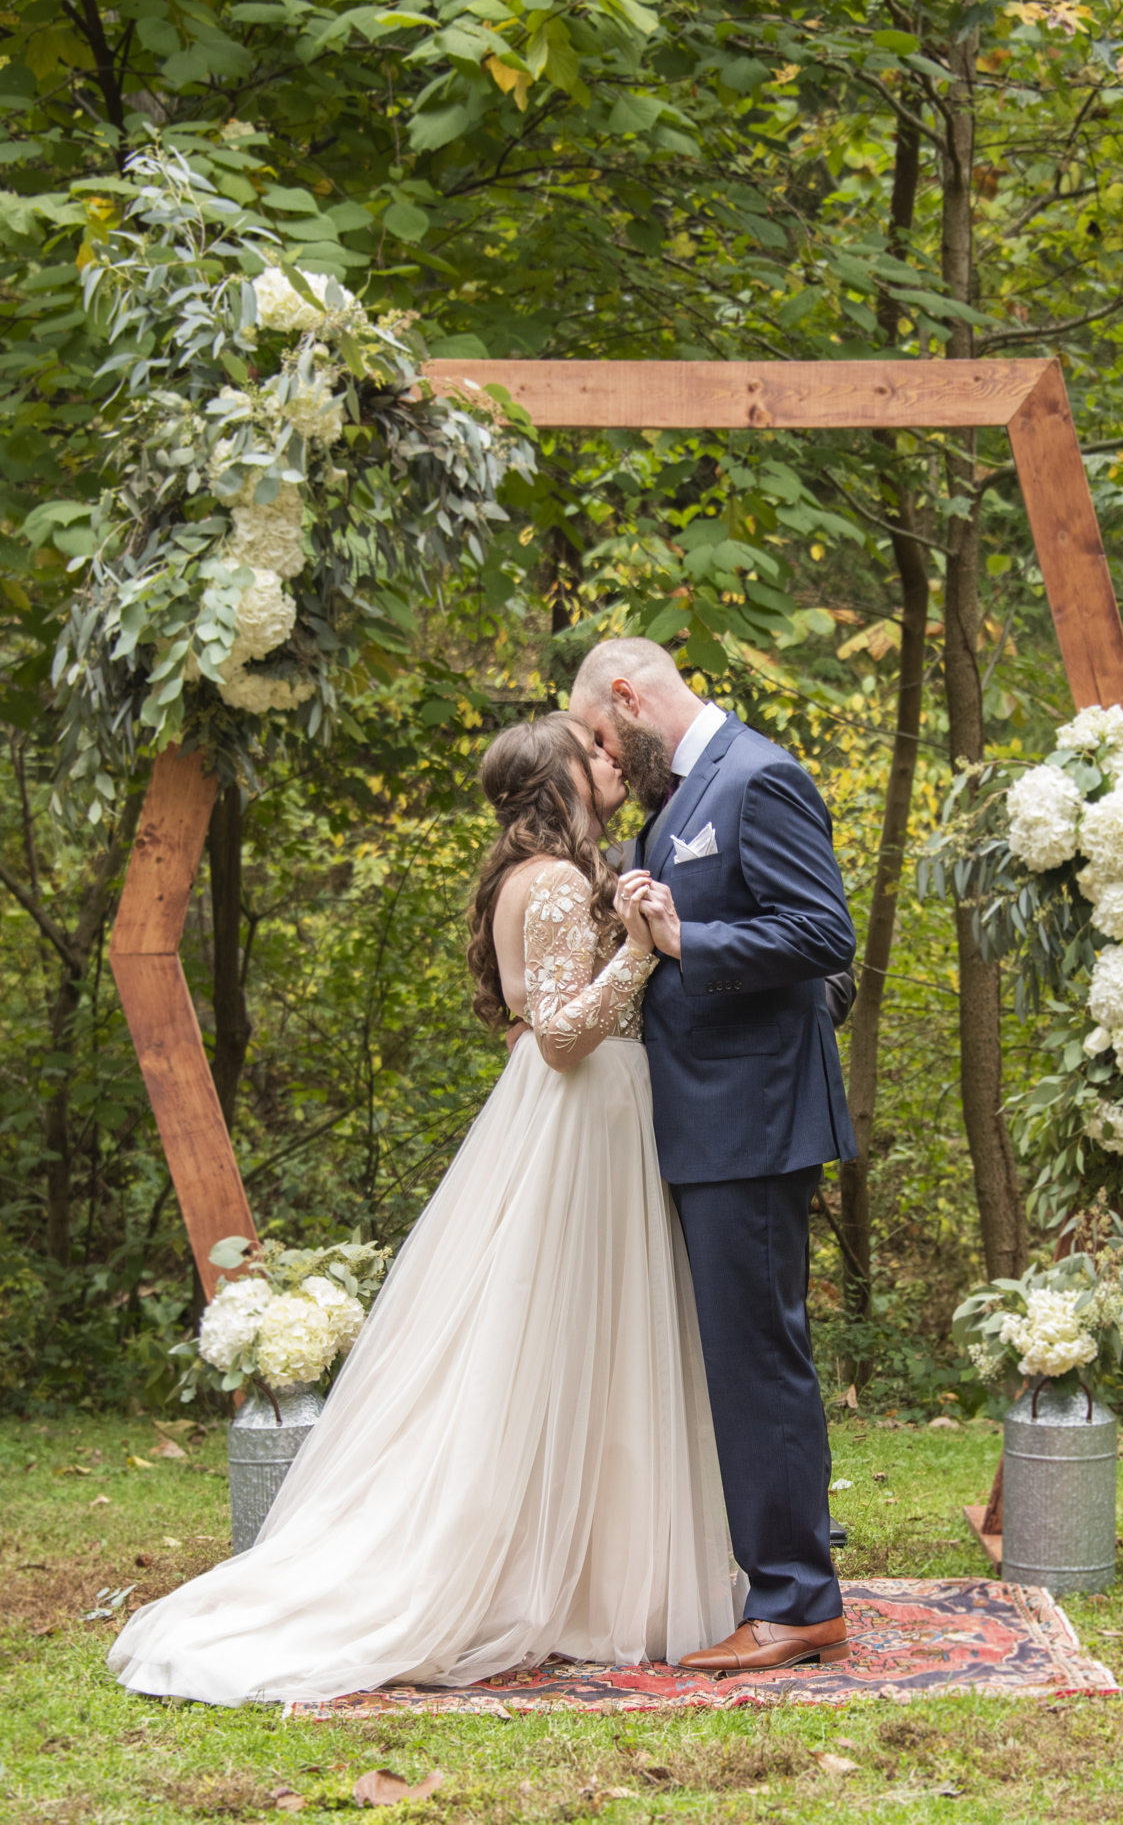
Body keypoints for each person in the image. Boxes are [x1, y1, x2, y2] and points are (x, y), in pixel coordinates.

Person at [107, 711, 737, 1705]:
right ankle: (572, 1577)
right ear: (561, 778)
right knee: (577, 1342)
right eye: (595, 751)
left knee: (566, 1346)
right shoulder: (562, 884)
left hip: (568, 1122)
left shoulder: (534, 878)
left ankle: (583, 1565)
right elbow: (564, 1034)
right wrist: (645, 953)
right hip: (582, 1118)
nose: (612, 761)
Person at [569, 638, 858, 1675]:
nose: (604, 757)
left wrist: (692, 945)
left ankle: (796, 1601)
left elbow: (824, 933)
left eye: (602, 736)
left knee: (757, 1359)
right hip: (710, 1118)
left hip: (753, 1125)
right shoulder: (681, 797)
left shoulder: (757, 775)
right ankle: (778, 1575)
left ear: (627, 694)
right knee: (735, 1360)